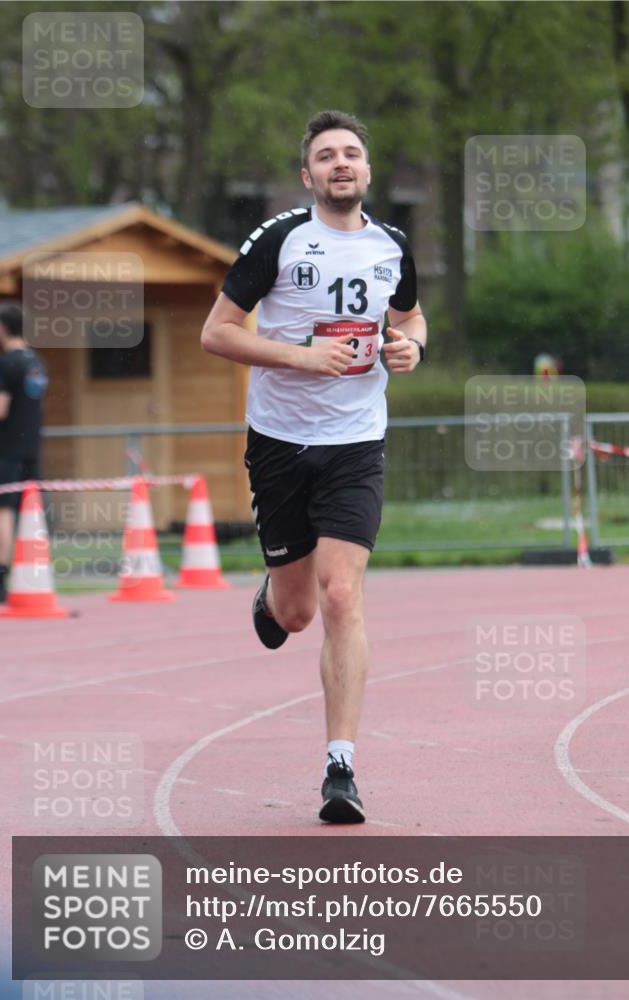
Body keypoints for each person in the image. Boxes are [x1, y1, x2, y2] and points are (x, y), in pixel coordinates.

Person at [201, 110, 427, 824]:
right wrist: (301, 356)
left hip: (356, 442)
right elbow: (216, 333)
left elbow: (411, 318)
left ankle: (340, 767)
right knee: (296, 611)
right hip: (278, 441)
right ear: (307, 175)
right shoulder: (278, 239)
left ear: (366, 171)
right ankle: (271, 592)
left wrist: (412, 348)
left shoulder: (392, 245)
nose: (340, 163)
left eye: (351, 154)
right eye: (326, 155)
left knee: (340, 598)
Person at [0, 301, 48, 603]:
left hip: (6, 448)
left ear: (2, 327)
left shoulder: (5, 363)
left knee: (1, 511)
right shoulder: (36, 362)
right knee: (31, 512)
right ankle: (33, 575)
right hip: (32, 447)